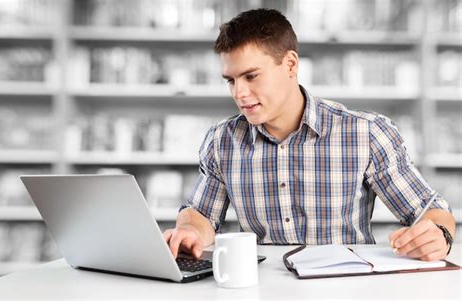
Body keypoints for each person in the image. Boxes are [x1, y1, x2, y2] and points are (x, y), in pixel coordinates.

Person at [163, 8, 455, 262]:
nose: (239, 93)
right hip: (262, 289)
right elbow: (201, 214)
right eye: (231, 80)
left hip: (346, 288)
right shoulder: (222, 141)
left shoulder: (366, 133)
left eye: (251, 76)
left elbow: (432, 212)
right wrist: (189, 231)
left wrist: (437, 235)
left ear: (290, 64)